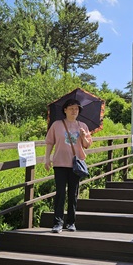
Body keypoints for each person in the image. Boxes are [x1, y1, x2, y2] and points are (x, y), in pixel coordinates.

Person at [44, 98, 92, 233]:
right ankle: (57, 223)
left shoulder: (83, 126)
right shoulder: (56, 125)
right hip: (59, 163)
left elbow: (87, 145)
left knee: (73, 193)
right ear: (65, 110)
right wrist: (47, 158)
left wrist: (83, 136)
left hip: (75, 165)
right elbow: (49, 142)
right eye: (71, 108)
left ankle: (71, 222)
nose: (74, 111)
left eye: (76, 108)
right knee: (60, 193)